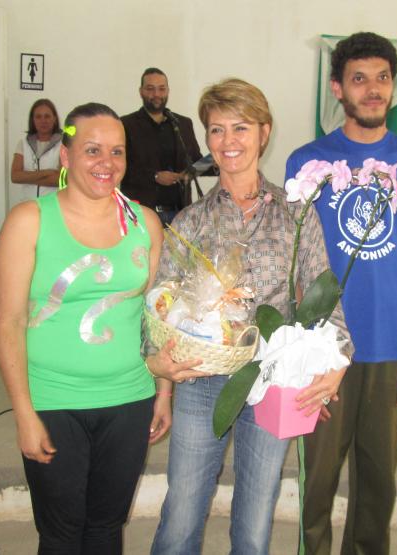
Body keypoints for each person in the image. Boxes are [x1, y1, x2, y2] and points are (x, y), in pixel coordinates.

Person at [150, 78, 352, 555]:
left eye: (240, 127)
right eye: (216, 130)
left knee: (255, 522)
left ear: (264, 132)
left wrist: (338, 359)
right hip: (201, 382)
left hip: (273, 381)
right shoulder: (191, 221)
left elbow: (324, 292)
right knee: (181, 512)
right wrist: (161, 374)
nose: (228, 142)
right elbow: (160, 309)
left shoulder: (296, 213)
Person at [0, 102, 202, 553]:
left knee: (107, 526)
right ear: (65, 156)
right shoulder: (29, 222)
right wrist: (23, 413)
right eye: (91, 150)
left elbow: (157, 318)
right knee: (61, 532)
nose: (106, 164)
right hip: (52, 400)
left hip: (128, 401)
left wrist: (163, 391)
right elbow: (7, 323)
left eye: (117, 152)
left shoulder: (145, 224)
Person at [285, 32, 397, 555]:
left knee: (378, 489)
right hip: (324, 350)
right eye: (359, 79)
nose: (373, 90)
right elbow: (291, 270)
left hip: (393, 348)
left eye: (382, 78)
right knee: (318, 485)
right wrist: (299, 354)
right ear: (338, 88)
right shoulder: (307, 162)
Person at [121, 68, 204, 225]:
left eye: (161, 89)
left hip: (181, 213)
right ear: (141, 91)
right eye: (150, 89)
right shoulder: (125, 124)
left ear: (168, 91)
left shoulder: (183, 123)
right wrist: (154, 176)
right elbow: (121, 168)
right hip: (141, 214)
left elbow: (194, 161)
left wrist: (216, 161)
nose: (156, 94)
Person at [10, 98, 62, 207]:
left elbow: (61, 179)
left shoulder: (63, 145)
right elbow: (15, 177)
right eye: (38, 117)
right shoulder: (23, 144)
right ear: (32, 120)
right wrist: (47, 172)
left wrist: (27, 177)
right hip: (27, 205)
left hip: (53, 206)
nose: (43, 120)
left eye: (47, 116)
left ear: (54, 119)